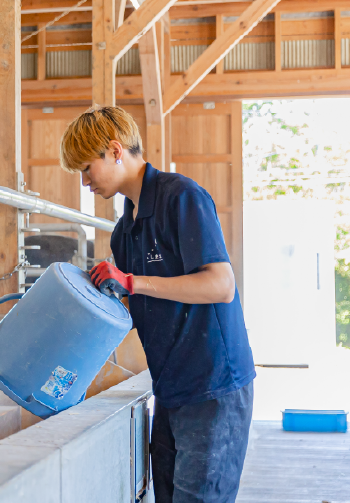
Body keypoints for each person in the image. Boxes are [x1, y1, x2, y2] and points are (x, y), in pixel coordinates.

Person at [59, 105, 254, 503]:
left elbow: (221, 285)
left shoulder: (181, 198)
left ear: (115, 151)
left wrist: (131, 282)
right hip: (169, 387)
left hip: (212, 385)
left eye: (86, 168)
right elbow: (139, 308)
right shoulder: (124, 232)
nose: (85, 182)